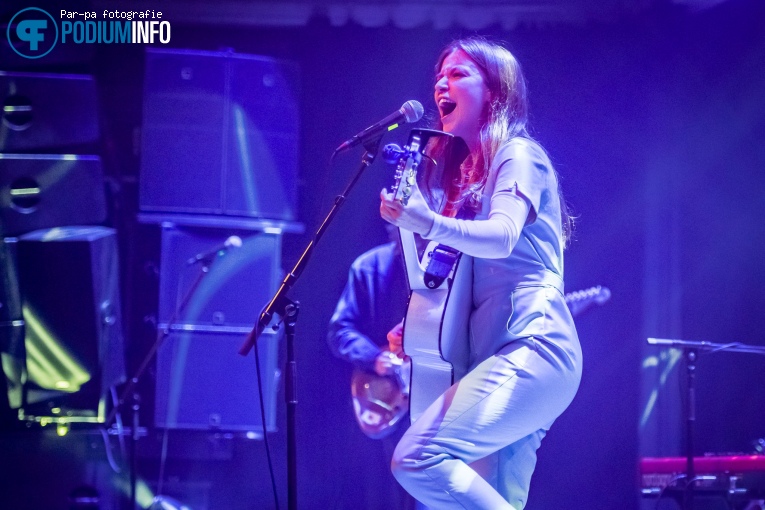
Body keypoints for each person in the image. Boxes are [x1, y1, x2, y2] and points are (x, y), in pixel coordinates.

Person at [379, 36, 582, 509]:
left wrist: (427, 222)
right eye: (438, 77)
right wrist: (415, 327)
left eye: (457, 74)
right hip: (496, 355)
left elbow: (503, 235)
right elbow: (461, 284)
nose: (440, 85)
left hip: (534, 347)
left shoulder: (520, 155)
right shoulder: (470, 176)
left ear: (494, 91)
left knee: (418, 457)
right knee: (494, 498)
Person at [327, 225, 417, 510]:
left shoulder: (447, 270)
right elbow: (340, 330)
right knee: (379, 487)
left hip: (432, 394)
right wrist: (374, 357)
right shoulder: (369, 267)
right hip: (382, 393)